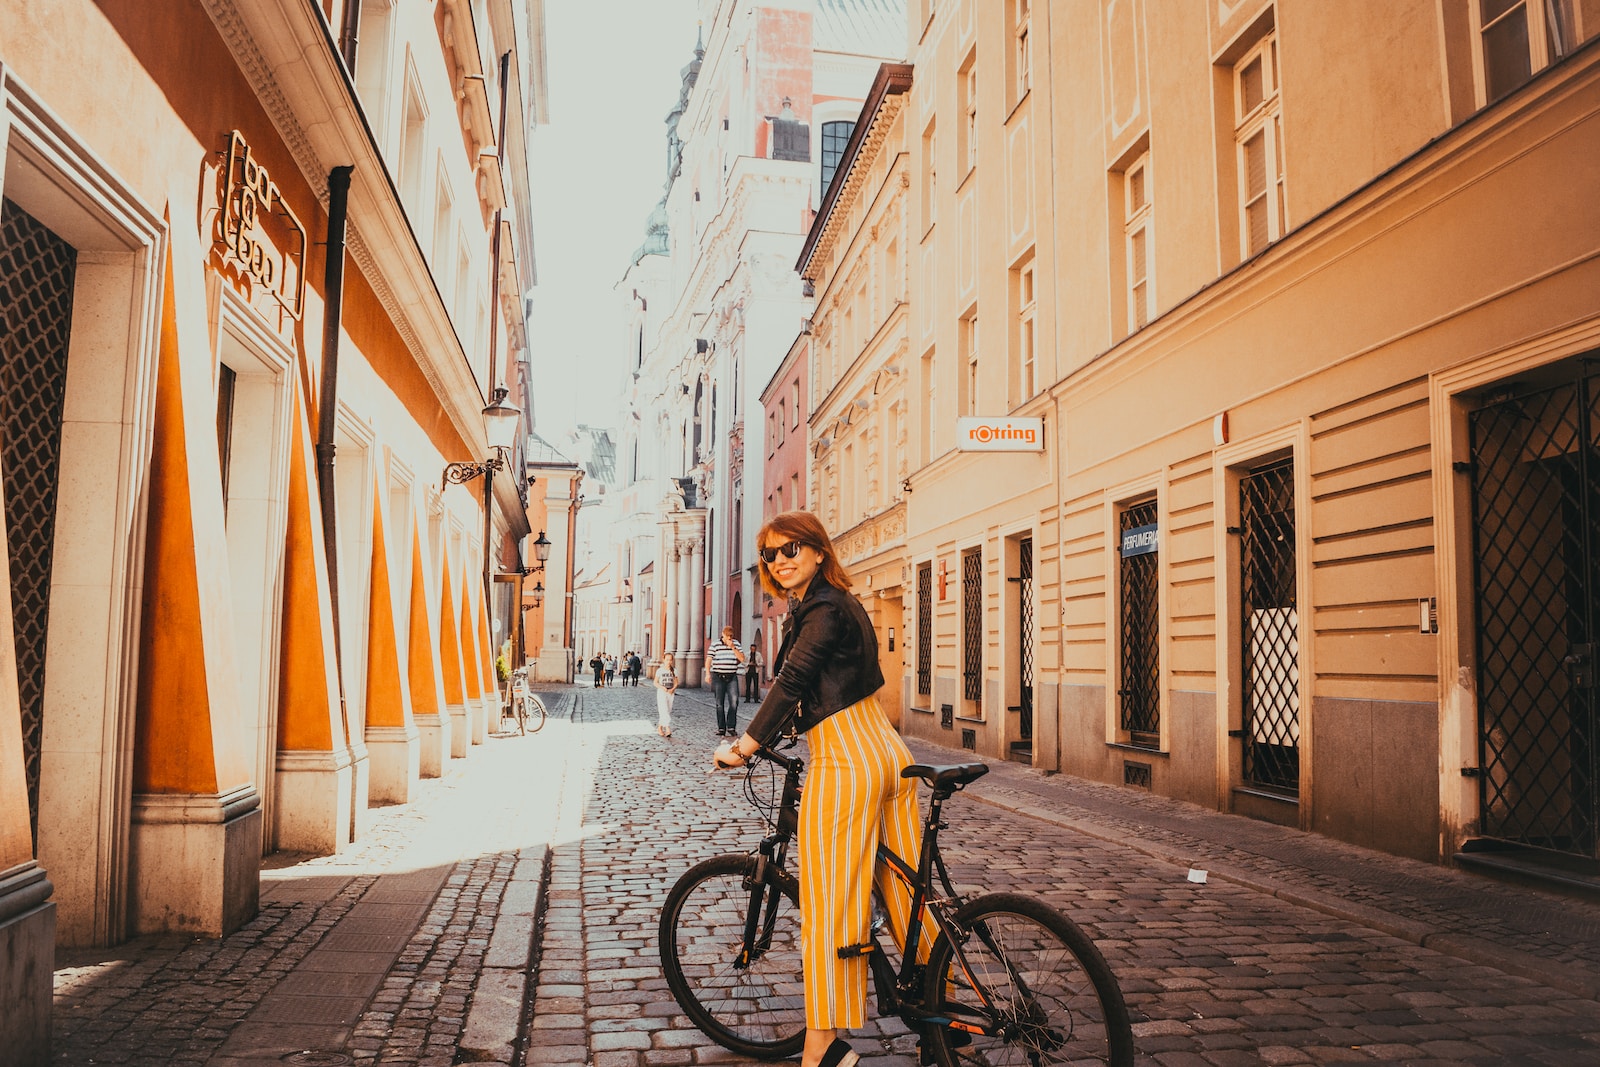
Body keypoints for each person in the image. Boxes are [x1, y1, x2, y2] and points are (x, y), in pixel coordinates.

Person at [712, 511, 919, 1067]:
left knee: (832, 906)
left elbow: (793, 681)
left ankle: (823, 1048)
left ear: (819, 551)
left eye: (791, 548)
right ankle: (940, 1007)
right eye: (771, 554)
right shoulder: (837, 605)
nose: (780, 560)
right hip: (889, 756)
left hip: (846, 761)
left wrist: (745, 746)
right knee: (906, 895)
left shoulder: (823, 608)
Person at [705, 625, 746, 736]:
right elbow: (709, 659)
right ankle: (721, 728)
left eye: (731, 636)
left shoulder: (736, 644)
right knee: (719, 703)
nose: (729, 638)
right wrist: (707, 673)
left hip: (732, 676)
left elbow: (742, 659)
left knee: (734, 702)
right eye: (727, 636)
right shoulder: (715, 644)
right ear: (723, 634)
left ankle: (731, 726)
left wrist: (733, 647)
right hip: (718, 676)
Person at [654, 653, 678, 737]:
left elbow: (676, 683)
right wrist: (661, 687)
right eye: (667, 660)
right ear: (664, 660)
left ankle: (660, 727)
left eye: (670, 660)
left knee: (667, 710)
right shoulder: (660, 670)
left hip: (670, 693)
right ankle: (668, 729)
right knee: (663, 709)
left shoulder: (674, 670)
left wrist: (672, 689)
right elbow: (655, 682)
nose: (669, 662)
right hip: (661, 692)